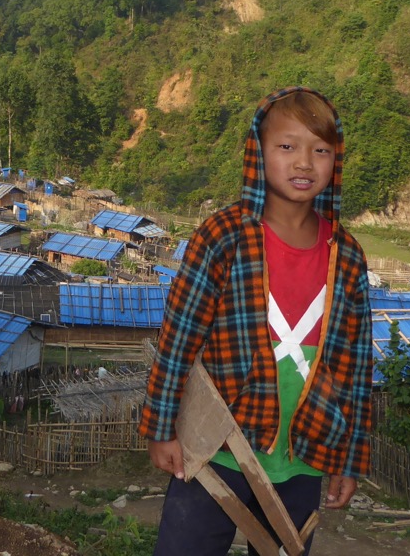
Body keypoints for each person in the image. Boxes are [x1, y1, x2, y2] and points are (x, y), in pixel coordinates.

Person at [139, 87, 373, 556]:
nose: (304, 162)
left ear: (336, 160)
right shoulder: (223, 236)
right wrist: (161, 427)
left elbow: (356, 364)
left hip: (302, 456)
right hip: (216, 447)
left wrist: (349, 459)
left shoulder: (345, 255)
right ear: (258, 153)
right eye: (287, 146)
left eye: (320, 149)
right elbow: (178, 338)